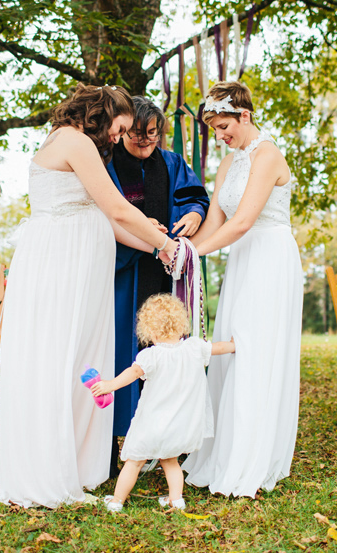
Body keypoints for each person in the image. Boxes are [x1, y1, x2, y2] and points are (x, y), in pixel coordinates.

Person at [0, 84, 180, 509]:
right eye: (120, 128)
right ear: (102, 113)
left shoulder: (75, 142)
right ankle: (46, 471)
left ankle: (76, 464)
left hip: (78, 270)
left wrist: (154, 246)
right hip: (61, 268)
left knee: (80, 362)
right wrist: (163, 243)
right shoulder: (74, 140)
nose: (118, 137)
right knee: (59, 359)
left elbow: (109, 222)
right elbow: (119, 211)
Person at [181, 81, 304, 498]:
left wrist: (195, 256)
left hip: (269, 257)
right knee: (229, 346)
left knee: (256, 347)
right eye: (214, 129)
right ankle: (224, 450)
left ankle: (252, 455)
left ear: (244, 115)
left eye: (224, 126)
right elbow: (217, 221)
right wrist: (182, 251)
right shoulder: (228, 163)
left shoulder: (267, 154)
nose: (220, 136)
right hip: (241, 261)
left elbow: (243, 222)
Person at [105, 97, 210, 475]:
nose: (146, 141)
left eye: (153, 134)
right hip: (125, 274)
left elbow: (194, 196)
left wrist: (195, 214)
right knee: (123, 354)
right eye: (137, 134)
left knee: (168, 354)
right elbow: (108, 212)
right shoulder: (108, 164)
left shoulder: (171, 163)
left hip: (167, 277)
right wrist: (143, 229)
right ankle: (118, 438)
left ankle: (169, 439)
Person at [90, 294, 235, 512]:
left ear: (150, 331)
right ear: (180, 324)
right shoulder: (194, 347)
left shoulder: (151, 356)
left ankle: (116, 501)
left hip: (150, 425)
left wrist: (109, 385)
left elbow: (131, 374)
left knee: (134, 462)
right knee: (170, 462)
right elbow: (219, 348)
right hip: (179, 426)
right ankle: (176, 501)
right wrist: (235, 345)